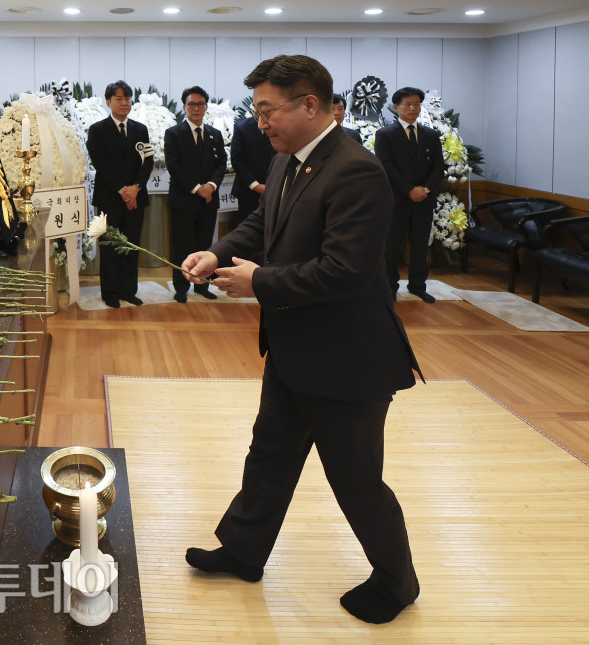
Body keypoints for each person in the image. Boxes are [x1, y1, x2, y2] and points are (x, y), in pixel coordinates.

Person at [180, 54, 422, 625]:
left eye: (268, 110)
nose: (261, 122)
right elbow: (264, 226)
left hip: (348, 359)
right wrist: (217, 252)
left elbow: (345, 271)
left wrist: (257, 281)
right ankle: (242, 551)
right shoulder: (290, 159)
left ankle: (397, 583)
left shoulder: (356, 170)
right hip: (294, 348)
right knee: (269, 456)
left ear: (309, 104)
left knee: (357, 481)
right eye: (257, 111)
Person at [86, 80, 153, 308]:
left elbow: (148, 162)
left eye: (127, 98)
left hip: (136, 198)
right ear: (108, 102)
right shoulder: (97, 130)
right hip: (110, 199)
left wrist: (136, 188)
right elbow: (101, 164)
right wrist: (123, 190)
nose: (124, 103)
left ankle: (128, 290)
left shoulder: (141, 129)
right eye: (118, 98)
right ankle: (110, 292)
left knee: (132, 246)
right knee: (111, 247)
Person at [375, 87, 445, 303]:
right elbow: (385, 166)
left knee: (420, 244)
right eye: (408, 104)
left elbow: (438, 166)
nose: (413, 108)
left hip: (423, 200)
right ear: (396, 107)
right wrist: (408, 189)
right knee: (391, 245)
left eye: (417, 104)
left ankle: (418, 286)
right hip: (397, 199)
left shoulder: (431, 135)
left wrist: (424, 189)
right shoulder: (385, 134)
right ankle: (389, 287)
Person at [165, 86, 227, 302]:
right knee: (181, 245)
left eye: (200, 104)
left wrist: (210, 185)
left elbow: (222, 163)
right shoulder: (173, 133)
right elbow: (173, 165)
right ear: (184, 107)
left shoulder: (214, 134)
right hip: (183, 200)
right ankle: (180, 288)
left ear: (206, 106)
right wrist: (197, 188)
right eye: (192, 104)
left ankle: (202, 286)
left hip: (208, 202)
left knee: (205, 246)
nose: (196, 108)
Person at [229, 112, 275, 228]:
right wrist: (255, 185)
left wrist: (274, 185)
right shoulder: (242, 127)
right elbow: (237, 160)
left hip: (276, 190)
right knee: (249, 231)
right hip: (249, 191)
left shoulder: (281, 125)